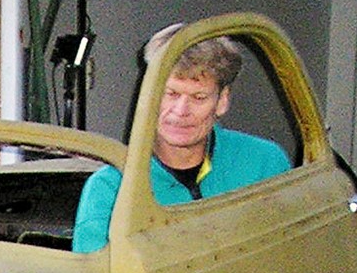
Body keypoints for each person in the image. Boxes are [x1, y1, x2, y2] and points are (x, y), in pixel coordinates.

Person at [71, 28, 292, 253]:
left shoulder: (264, 164)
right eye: (171, 94)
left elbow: (293, 257)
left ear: (222, 100)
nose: (181, 111)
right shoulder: (110, 188)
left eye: (198, 97)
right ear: (148, 94)